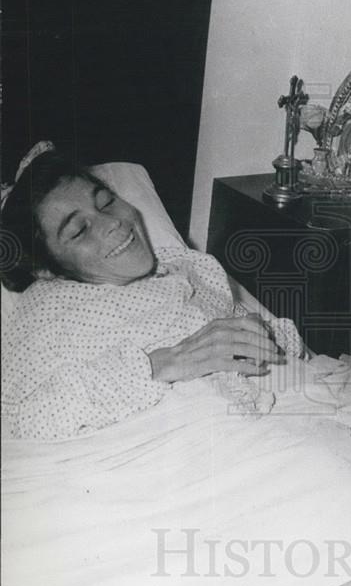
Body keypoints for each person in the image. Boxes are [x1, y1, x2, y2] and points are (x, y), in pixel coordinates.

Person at [1, 146, 304, 440]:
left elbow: (248, 332)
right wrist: (164, 363)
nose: (113, 223)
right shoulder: (46, 314)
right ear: (48, 269)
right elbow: (25, 418)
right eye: (80, 230)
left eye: (107, 202)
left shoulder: (182, 267)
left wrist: (266, 335)